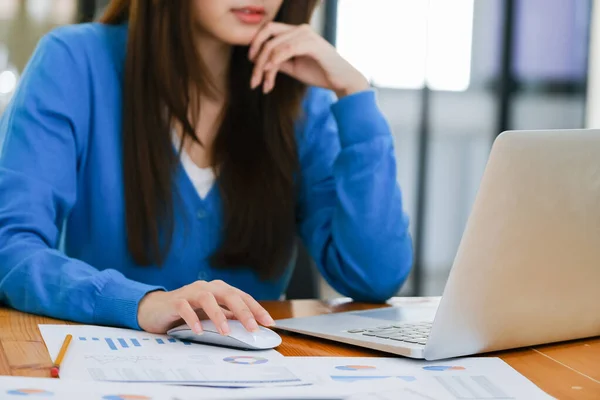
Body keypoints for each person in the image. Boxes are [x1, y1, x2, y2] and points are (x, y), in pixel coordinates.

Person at [0, 0, 413, 336]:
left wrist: (353, 93)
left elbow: (372, 277)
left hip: (261, 378)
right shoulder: (73, 62)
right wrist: (141, 303)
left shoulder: (302, 96)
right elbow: (12, 248)